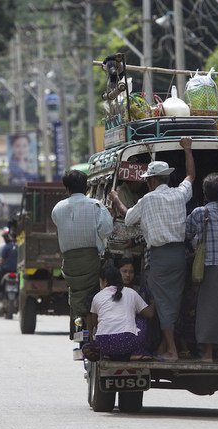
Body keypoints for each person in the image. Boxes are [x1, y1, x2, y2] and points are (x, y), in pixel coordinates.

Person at [111, 137, 195, 361]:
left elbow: (127, 218)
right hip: (179, 255)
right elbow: (190, 176)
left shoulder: (147, 200)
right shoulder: (179, 194)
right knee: (175, 300)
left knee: (162, 303)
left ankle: (172, 350)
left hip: (159, 258)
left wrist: (116, 199)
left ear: (152, 181)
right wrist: (188, 149)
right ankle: (168, 347)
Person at [53, 169, 113, 335]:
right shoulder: (95, 205)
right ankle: (92, 335)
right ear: (86, 187)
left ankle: (80, 331)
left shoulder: (57, 208)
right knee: (92, 297)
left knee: (77, 296)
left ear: (67, 189)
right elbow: (107, 229)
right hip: (90, 260)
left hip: (69, 263)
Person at [186, 173, 218, 363]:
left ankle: (207, 353)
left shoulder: (200, 212)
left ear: (205, 194)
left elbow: (187, 232)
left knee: (207, 310)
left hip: (207, 266)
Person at [88, 263, 154, 360]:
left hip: (103, 343)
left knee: (89, 347)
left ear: (105, 281)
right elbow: (150, 314)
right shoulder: (131, 292)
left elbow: (95, 323)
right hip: (126, 342)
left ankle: (111, 355)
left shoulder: (97, 296)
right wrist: (154, 303)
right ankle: (133, 354)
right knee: (141, 319)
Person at [0, 228, 17, 300]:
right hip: (17, 270)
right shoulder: (19, 246)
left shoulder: (6, 247)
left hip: (6, 269)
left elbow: (2, 260)